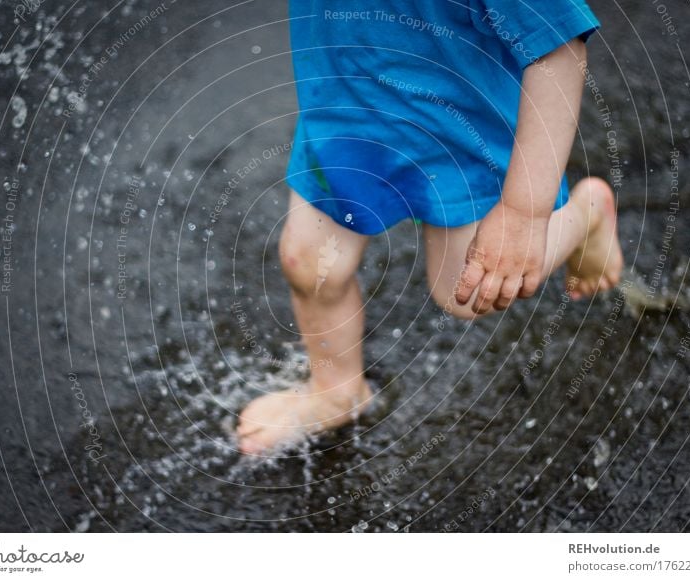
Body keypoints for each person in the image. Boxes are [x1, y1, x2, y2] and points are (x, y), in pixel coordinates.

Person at [237, 0, 623, 455]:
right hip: (345, 110)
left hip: (461, 130)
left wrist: (524, 213)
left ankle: (586, 214)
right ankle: (337, 390)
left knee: (468, 290)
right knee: (306, 260)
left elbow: (558, 45)